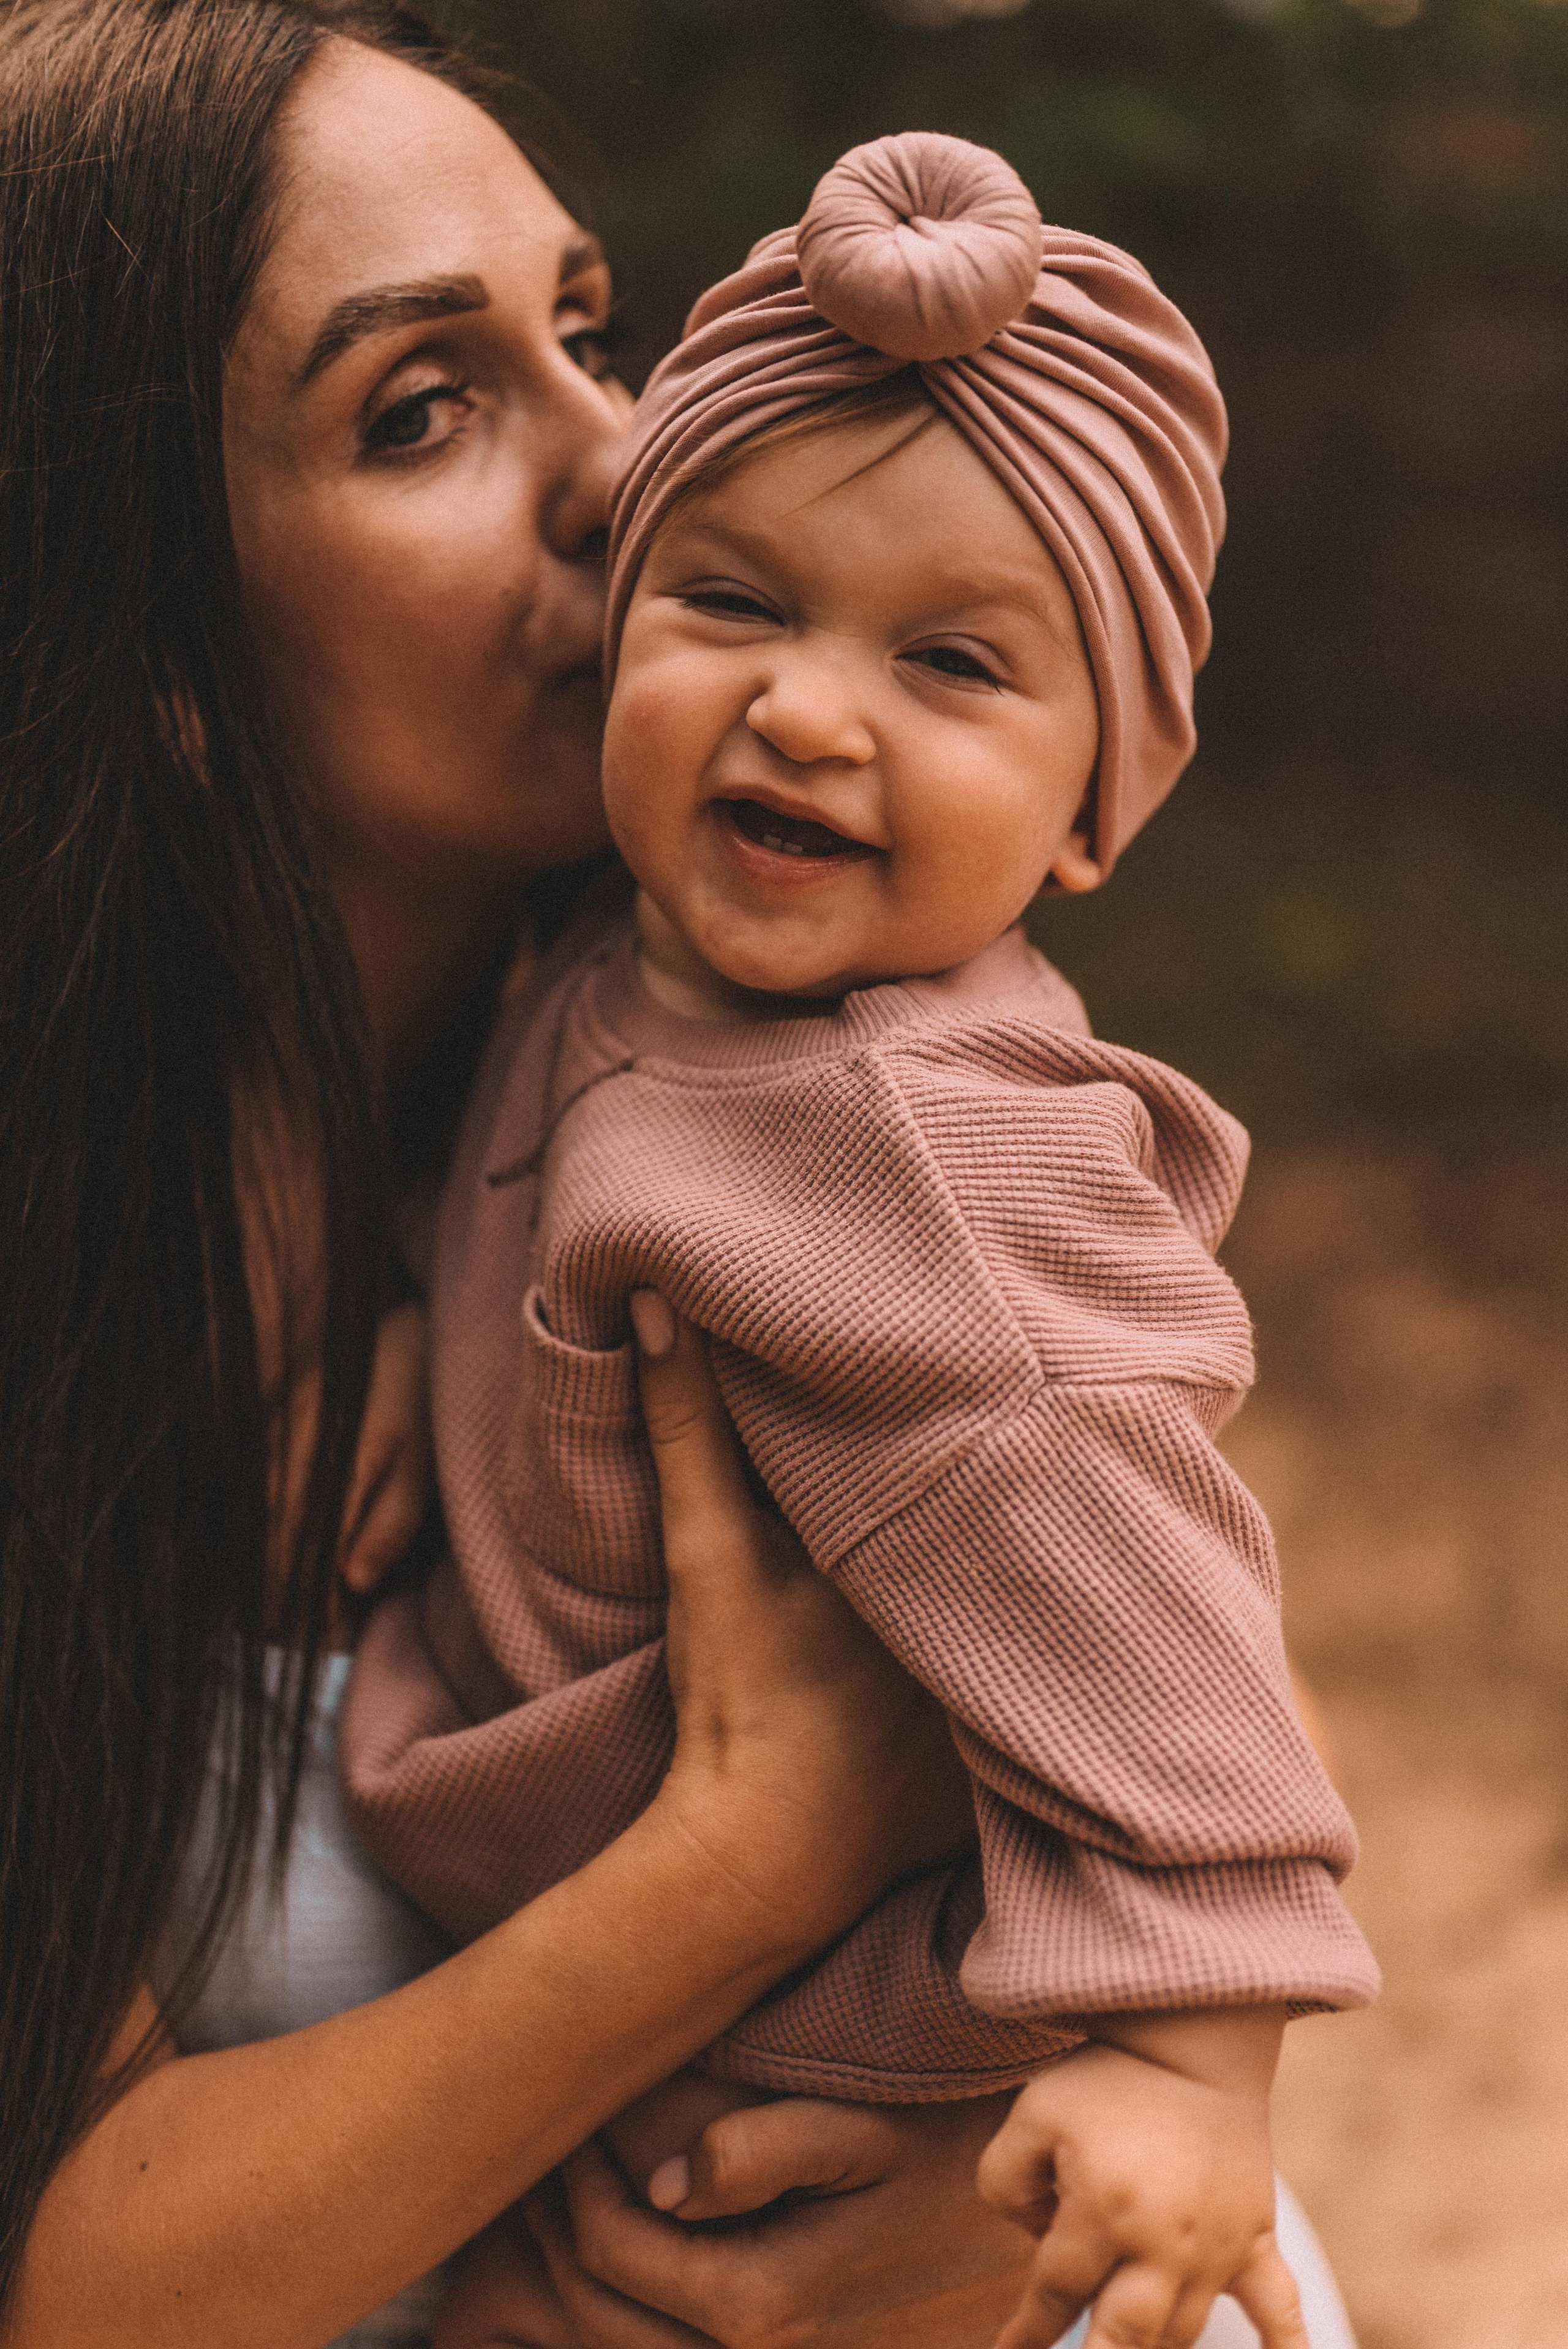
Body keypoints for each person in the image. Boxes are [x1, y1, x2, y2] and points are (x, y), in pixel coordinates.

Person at [0, 8, 1071, 2344]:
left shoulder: (813, 1088)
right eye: (424, 409)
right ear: (144, 641)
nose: (634, 459)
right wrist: (750, 1855)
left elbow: (1154, 1751)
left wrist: (983, 2205)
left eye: (590, 333)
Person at [338, 135, 1379, 2349]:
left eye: (949, 663)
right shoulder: (622, 956)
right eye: (731, 603)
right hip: (621, 1975)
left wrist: (1195, 2058)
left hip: (832, 2056)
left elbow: (1138, 1560)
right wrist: (419, 1345)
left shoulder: (914, 1147)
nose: (808, 708)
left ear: (1101, 802)